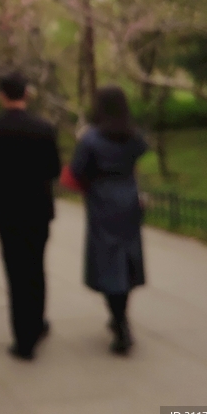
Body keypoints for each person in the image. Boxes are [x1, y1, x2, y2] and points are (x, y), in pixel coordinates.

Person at [0, 73, 60, 360]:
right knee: (36, 266)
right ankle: (38, 323)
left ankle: (24, 339)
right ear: (27, 93)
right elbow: (54, 168)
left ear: (2, 96)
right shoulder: (44, 128)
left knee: (15, 270)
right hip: (38, 209)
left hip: (6, 209)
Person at [68, 85, 147, 355]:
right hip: (129, 200)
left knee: (108, 261)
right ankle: (121, 316)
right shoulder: (133, 137)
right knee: (125, 257)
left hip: (102, 202)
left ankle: (119, 321)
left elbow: (77, 171)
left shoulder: (91, 139)